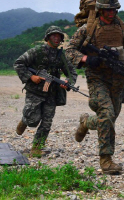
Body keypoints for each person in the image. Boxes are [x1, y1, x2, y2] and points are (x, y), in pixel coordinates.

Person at [65, 0, 124, 174]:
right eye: (108, 10)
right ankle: (106, 160)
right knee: (106, 113)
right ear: (100, 10)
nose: (111, 13)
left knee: (110, 118)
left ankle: (86, 122)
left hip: (117, 78)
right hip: (97, 77)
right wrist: (86, 59)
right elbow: (69, 51)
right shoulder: (87, 29)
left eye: (114, 9)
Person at [14, 26, 77, 157]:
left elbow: (71, 72)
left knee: (47, 122)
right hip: (35, 92)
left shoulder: (61, 56)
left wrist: (68, 82)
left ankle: (37, 147)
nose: (56, 38)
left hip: (51, 94)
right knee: (33, 120)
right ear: (48, 37)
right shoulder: (37, 51)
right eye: (54, 36)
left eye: (59, 36)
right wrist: (31, 77)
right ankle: (25, 121)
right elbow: (19, 63)